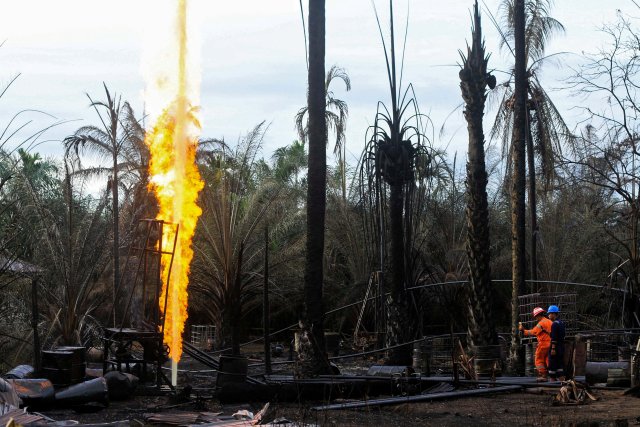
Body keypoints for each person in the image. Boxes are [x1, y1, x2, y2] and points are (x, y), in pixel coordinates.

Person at [519, 306, 552, 381]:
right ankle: (552, 375)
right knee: (548, 360)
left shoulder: (541, 323)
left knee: (539, 360)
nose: (535, 318)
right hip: (550, 344)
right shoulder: (550, 321)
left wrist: (523, 330)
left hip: (543, 344)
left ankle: (543, 376)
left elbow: (533, 332)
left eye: (536, 316)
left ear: (538, 315)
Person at [547, 305, 566, 381]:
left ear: (554, 314)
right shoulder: (561, 323)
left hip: (556, 347)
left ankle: (552, 384)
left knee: (552, 365)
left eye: (550, 313)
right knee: (559, 365)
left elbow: (554, 338)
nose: (548, 315)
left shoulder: (554, 324)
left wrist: (553, 348)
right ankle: (562, 383)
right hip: (561, 347)